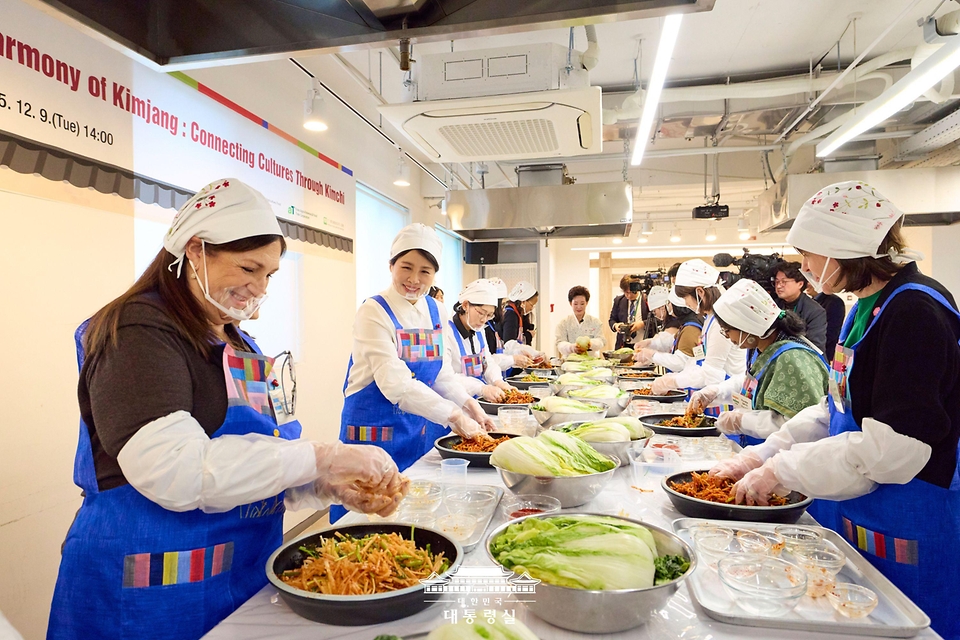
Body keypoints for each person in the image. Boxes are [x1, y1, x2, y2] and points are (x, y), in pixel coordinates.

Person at [47, 179, 406, 640]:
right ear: (196, 250)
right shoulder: (138, 331)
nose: (259, 287)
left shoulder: (238, 342)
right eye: (248, 268)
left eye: (269, 274)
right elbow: (175, 471)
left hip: (240, 576)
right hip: (148, 590)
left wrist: (326, 486)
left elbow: (253, 461)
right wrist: (324, 457)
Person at [711, 181, 960, 639]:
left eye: (809, 254)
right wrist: (763, 455)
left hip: (913, 513)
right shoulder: (865, 306)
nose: (804, 267)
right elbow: (834, 408)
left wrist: (783, 470)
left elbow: (895, 450)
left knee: (912, 625)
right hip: (867, 509)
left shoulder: (915, 312)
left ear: (845, 247)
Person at [335, 224, 494, 520]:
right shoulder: (373, 311)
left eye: (425, 272)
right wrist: (454, 416)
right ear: (391, 266)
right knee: (366, 520)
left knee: (415, 513)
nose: (414, 279)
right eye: (406, 267)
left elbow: (441, 375)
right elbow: (395, 383)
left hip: (415, 430)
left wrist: (469, 406)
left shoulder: (436, 310)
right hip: (373, 434)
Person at [688, 279, 828, 447]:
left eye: (727, 330)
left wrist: (743, 421)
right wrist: (717, 392)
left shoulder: (792, 358)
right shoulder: (763, 348)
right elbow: (755, 382)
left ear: (747, 326)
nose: (727, 336)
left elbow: (800, 425)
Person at [640, 260, 747, 408]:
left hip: (726, 398)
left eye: (685, 298)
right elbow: (699, 359)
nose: (685, 303)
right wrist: (677, 376)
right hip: (715, 395)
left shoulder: (719, 322)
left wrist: (673, 381)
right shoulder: (709, 319)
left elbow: (711, 373)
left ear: (700, 292)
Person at [445, 279, 514, 402]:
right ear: (465, 305)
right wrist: (481, 388)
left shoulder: (479, 330)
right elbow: (446, 378)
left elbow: (488, 362)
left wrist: (498, 381)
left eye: (489, 315)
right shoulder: (446, 332)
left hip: (478, 401)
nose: (484, 320)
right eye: (481, 313)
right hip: (455, 403)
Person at [635, 287, 703, 364]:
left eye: (670, 303)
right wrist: (650, 343)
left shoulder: (690, 328)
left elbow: (680, 362)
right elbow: (671, 341)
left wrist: (653, 355)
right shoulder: (685, 325)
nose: (668, 307)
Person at [483, 277, 537, 372]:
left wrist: (519, 353)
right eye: (502, 304)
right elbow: (486, 362)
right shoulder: (509, 315)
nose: (503, 309)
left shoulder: (492, 324)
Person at [773, 261, 828, 352]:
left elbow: (815, 346)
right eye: (777, 281)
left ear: (800, 284)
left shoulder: (815, 311)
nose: (778, 286)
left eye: (784, 282)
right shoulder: (774, 305)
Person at [556, 285, 605, 356]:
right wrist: (571, 347)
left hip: (590, 359)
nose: (579, 307)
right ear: (570, 303)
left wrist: (590, 344)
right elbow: (560, 343)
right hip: (569, 360)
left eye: (582, 304)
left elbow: (601, 341)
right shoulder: (563, 323)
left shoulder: (595, 322)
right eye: (575, 304)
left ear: (587, 303)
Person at [811, 283, 846, 363]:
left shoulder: (834, 302)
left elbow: (832, 332)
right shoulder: (811, 301)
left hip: (826, 353)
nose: (807, 284)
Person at [608, 275, 645, 349]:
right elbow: (612, 320)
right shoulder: (619, 301)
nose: (629, 295)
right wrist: (616, 326)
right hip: (623, 345)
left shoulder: (646, 300)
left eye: (632, 292)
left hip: (643, 343)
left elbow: (657, 320)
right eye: (626, 292)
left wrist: (642, 324)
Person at [501, 281, 538, 346]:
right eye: (532, 305)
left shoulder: (518, 314)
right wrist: (529, 335)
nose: (532, 308)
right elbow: (509, 343)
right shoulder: (511, 315)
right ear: (523, 302)